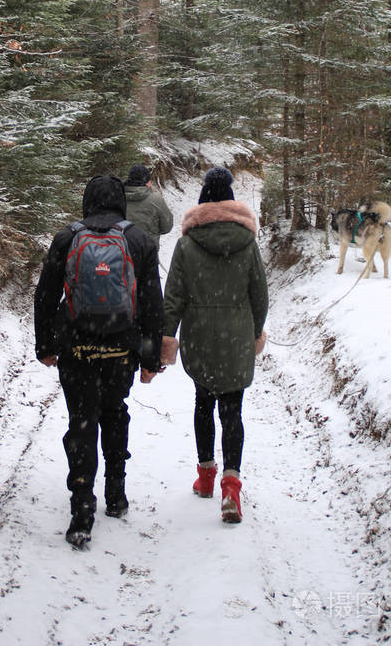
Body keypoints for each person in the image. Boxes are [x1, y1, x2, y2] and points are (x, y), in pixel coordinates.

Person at [34, 175, 163, 549]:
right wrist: (150, 356)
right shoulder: (137, 239)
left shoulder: (67, 238)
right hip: (122, 345)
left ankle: (81, 508)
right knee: (114, 411)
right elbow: (151, 301)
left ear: (87, 200)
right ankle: (116, 493)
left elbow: (45, 295)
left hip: (76, 347)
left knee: (81, 421)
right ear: (120, 201)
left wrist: (45, 344)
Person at [161, 166, 268, 524]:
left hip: (201, 335)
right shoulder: (248, 243)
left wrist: (166, 337)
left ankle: (206, 478)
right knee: (233, 410)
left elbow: (173, 296)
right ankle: (231, 487)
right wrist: (256, 331)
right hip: (236, 335)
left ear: (203, 199)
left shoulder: (188, 244)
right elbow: (260, 296)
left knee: (203, 403)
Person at [124, 164, 174, 250]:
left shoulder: (118, 198)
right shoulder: (156, 200)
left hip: (122, 251)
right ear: (147, 182)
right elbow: (167, 227)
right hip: (148, 251)